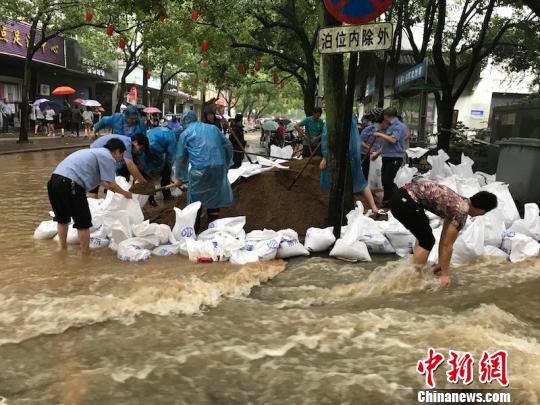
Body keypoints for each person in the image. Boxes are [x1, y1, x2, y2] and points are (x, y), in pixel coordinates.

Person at [390, 179, 498, 288]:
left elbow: (444, 238)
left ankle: (415, 269)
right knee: (427, 240)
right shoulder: (461, 211)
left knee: (424, 234)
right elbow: (447, 245)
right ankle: (413, 279)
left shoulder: (459, 202)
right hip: (405, 202)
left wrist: (442, 265)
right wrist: (445, 275)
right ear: (482, 211)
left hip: (400, 196)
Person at [47, 138, 133, 255]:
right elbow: (112, 185)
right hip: (71, 184)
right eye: (121, 154)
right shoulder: (108, 157)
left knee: (62, 219)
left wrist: (115, 190)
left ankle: (62, 249)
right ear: (116, 151)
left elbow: (104, 182)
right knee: (83, 221)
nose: (120, 158)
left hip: (54, 181)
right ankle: (85, 255)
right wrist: (126, 193)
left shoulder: (95, 152)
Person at [174, 110, 233, 230]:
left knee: (196, 200)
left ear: (184, 121)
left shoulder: (185, 134)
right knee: (214, 197)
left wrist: (180, 177)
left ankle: (195, 231)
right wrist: (227, 163)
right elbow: (228, 145)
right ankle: (213, 229)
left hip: (199, 171)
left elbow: (181, 157)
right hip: (218, 167)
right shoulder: (213, 129)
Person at [319, 116, 381, 218]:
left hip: (339, 156)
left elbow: (328, 139)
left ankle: (341, 210)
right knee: (358, 179)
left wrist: (326, 157)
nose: (324, 104)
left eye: (325, 101)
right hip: (352, 155)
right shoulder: (351, 118)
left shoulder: (334, 118)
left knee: (341, 181)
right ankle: (373, 208)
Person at [373, 107, 408, 207]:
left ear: (387, 116)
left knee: (387, 180)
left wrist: (380, 134)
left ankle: (400, 197)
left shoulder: (399, 126)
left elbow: (393, 140)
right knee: (385, 180)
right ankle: (387, 201)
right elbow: (387, 144)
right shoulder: (390, 126)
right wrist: (378, 154)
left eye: (384, 117)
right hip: (387, 156)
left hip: (395, 157)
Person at [144, 120, 178, 201]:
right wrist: (169, 168)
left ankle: (148, 198)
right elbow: (170, 155)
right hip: (154, 149)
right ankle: (167, 196)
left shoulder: (158, 129)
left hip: (143, 147)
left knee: (147, 173)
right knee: (166, 172)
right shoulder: (172, 135)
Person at [360, 108, 385, 179]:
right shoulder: (369, 129)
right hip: (365, 154)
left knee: (375, 174)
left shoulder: (385, 131)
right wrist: (369, 148)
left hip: (377, 156)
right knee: (366, 174)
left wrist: (378, 152)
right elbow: (360, 141)